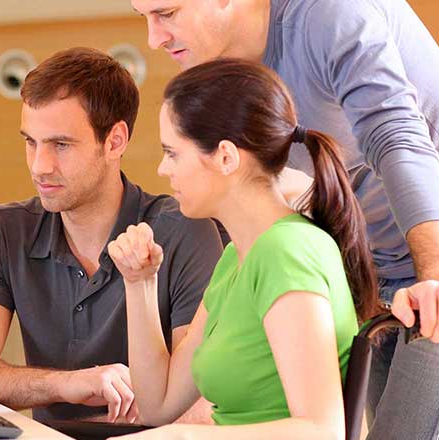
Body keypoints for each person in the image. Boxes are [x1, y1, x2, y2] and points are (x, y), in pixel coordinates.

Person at [132, 0, 439, 437]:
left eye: (165, 13)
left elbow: (397, 139)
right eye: (142, 16)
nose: (153, 38)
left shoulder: (332, 14)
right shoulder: (226, 66)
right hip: (379, 266)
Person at [0, 47, 222, 423]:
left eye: (61, 145)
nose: (40, 166)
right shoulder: (7, 230)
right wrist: (65, 384)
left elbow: (202, 401)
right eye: (31, 142)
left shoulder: (185, 229)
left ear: (115, 141)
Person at [108, 58, 376, 438]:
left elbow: (322, 430)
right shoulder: (237, 256)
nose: (162, 170)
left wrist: (182, 436)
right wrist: (139, 283)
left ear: (225, 157)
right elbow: (158, 404)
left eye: (173, 153)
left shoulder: (287, 251)